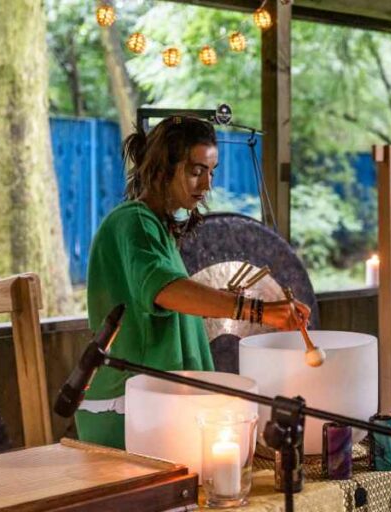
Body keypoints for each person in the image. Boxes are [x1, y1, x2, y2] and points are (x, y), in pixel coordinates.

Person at [76, 115, 310, 449]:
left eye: (211, 172)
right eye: (196, 170)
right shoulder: (134, 221)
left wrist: (216, 299)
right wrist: (259, 311)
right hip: (128, 411)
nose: (207, 184)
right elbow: (165, 290)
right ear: (161, 168)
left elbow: (160, 304)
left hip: (157, 406)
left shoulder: (156, 228)